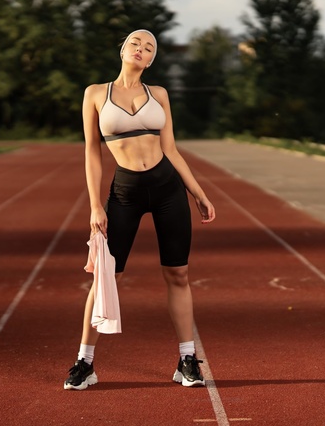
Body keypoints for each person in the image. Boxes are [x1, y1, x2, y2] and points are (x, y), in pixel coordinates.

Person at [64, 29, 216, 390]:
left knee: (178, 275)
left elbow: (173, 150)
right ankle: (84, 363)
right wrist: (94, 206)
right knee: (106, 279)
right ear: (123, 49)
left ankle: (186, 360)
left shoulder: (158, 95)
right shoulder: (95, 94)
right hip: (125, 194)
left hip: (168, 191)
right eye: (135, 42)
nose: (141, 49)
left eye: (149, 47)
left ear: (151, 60)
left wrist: (198, 192)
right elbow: (91, 152)